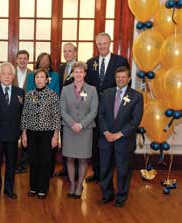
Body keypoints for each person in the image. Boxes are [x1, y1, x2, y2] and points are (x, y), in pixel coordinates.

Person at [85, 32, 129, 183]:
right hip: (95, 110)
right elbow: (88, 86)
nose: (102, 46)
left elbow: (125, 84)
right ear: (96, 45)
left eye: (105, 43)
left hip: (114, 109)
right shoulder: (90, 63)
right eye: (99, 44)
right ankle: (97, 172)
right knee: (96, 143)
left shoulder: (120, 60)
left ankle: (110, 175)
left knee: (112, 143)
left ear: (109, 43)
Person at [97, 66, 143, 207]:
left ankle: (121, 198)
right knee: (105, 169)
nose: (120, 79)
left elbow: (135, 121)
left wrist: (118, 134)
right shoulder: (107, 93)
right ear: (115, 78)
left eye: (124, 77)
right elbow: (100, 115)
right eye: (118, 77)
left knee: (123, 171)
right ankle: (107, 194)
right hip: (106, 139)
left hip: (124, 141)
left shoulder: (136, 96)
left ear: (129, 79)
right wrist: (106, 132)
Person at [21, 68, 61, 199]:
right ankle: (33, 187)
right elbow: (25, 115)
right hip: (31, 133)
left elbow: (56, 116)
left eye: (42, 77)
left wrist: (56, 135)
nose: (39, 79)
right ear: (34, 80)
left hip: (47, 134)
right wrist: (24, 133)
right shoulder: (29, 95)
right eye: (37, 77)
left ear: (47, 80)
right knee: (33, 161)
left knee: (45, 161)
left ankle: (43, 188)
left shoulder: (53, 95)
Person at [60, 62, 98, 198]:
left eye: (81, 72)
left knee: (83, 159)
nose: (78, 74)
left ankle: (79, 184)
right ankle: (72, 183)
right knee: (69, 158)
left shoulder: (92, 90)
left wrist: (81, 125)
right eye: (76, 72)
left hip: (85, 129)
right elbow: (62, 110)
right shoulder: (65, 89)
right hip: (69, 129)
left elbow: (94, 111)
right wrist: (72, 124)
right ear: (73, 73)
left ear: (85, 74)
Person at [0, 62, 25, 200]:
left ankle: (9, 189)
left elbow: (23, 114)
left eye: (10, 74)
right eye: (3, 73)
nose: (7, 76)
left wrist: (22, 133)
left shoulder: (20, 92)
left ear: (13, 76)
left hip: (12, 135)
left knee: (11, 164)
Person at [55, 42, 78, 177]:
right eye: (65, 51)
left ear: (75, 53)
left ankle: (74, 171)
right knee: (65, 140)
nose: (67, 53)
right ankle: (65, 168)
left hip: (75, 110)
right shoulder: (62, 68)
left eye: (69, 51)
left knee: (75, 141)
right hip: (63, 109)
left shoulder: (79, 67)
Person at [13, 50, 32, 174]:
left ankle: (23, 164)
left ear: (28, 60)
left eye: (25, 58)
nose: (22, 60)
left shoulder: (33, 74)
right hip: (13, 111)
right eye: (20, 58)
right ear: (16, 59)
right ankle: (13, 163)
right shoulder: (11, 72)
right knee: (14, 138)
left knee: (27, 139)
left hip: (28, 110)